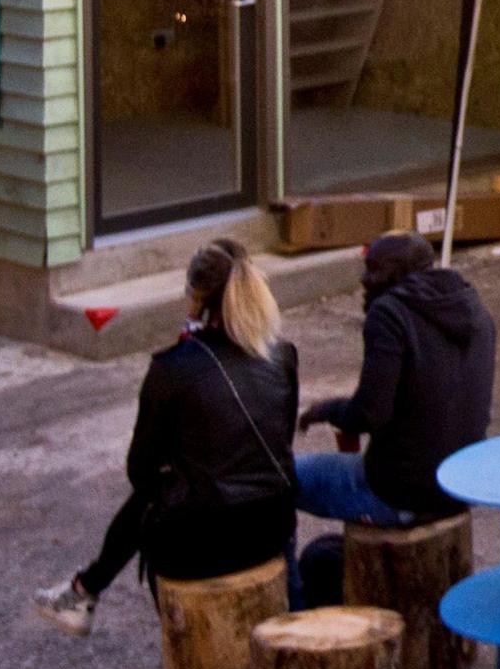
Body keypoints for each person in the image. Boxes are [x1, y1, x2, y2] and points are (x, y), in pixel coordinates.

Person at [35, 239, 301, 632]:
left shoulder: (172, 368)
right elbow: (279, 439)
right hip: (272, 530)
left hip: (200, 546)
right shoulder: (283, 356)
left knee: (150, 496)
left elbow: (139, 471)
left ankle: (84, 591)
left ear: (196, 298)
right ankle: (84, 590)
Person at [293, 233, 493, 532]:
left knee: (275, 481)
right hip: (460, 485)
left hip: (402, 493)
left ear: (400, 275)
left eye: (374, 270)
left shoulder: (389, 313)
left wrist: (329, 411)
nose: (364, 280)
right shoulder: (474, 309)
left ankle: (293, 581)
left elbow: (371, 413)